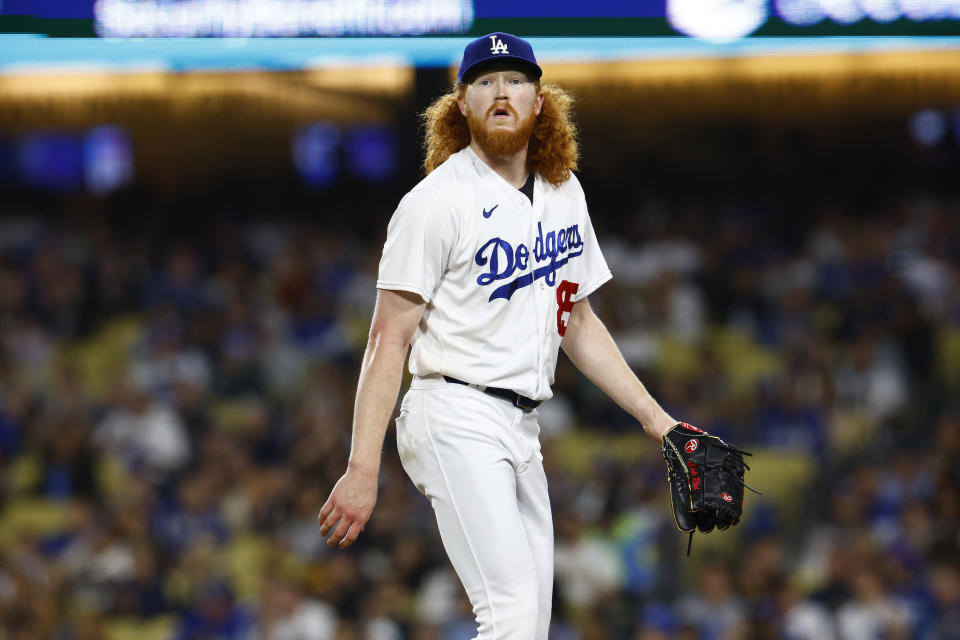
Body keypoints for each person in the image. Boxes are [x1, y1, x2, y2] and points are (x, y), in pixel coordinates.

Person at [318, 32, 678, 639]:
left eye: (514, 81)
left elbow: (579, 322)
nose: (500, 92)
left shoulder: (564, 190)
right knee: (509, 611)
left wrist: (658, 420)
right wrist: (361, 467)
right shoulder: (435, 203)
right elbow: (387, 341)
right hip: (453, 410)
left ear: (540, 100)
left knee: (530, 621)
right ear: (461, 104)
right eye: (484, 82)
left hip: (522, 424)